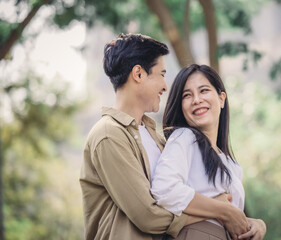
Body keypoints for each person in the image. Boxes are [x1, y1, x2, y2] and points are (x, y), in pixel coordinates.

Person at [80, 33, 252, 240]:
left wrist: (251, 223)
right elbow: (148, 215)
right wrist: (219, 210)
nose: (165, 86)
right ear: (139, 74)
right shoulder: (109, 134)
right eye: (161, 74)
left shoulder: (155, 137)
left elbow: (187, 195)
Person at [151, 64, 267, 240]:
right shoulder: (185, 137)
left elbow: (228, 215)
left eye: (203, 91)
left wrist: (257, 224)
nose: (196, 100)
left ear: (221, 99)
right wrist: (222, 209)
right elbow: (165, 190)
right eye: (187, 95)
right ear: (181, 106)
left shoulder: (231, 164)